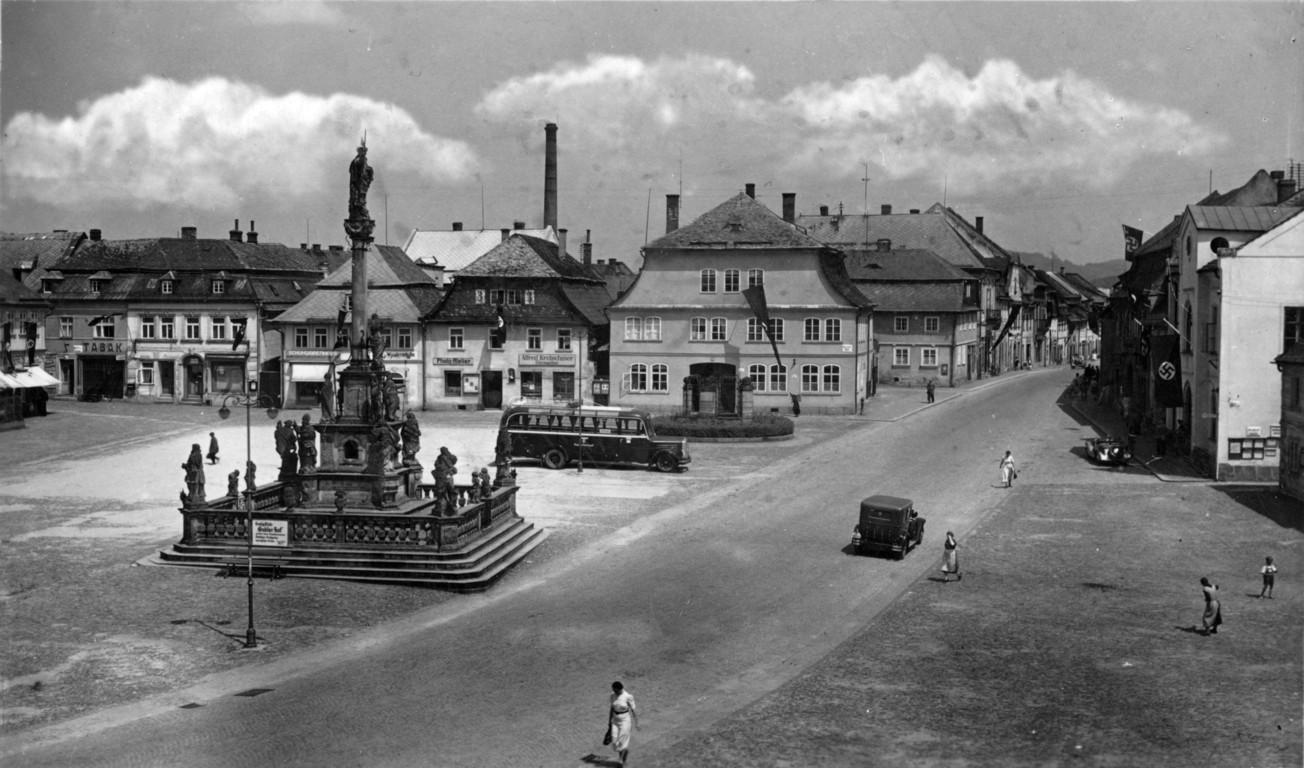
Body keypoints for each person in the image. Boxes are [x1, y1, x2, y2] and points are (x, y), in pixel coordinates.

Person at [607, 681, 637, 766]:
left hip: (625, 721)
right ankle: (623, 755)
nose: (614, 692)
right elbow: (611, 708)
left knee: (622, 741)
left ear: (620, 689)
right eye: (613, 690)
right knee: (614, 742)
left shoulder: (628, 697)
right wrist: (609, 722)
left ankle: (621, 760)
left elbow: (633, 710)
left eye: (616, 691)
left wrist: (636, 723)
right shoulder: (612, 695)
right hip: (615, 721)